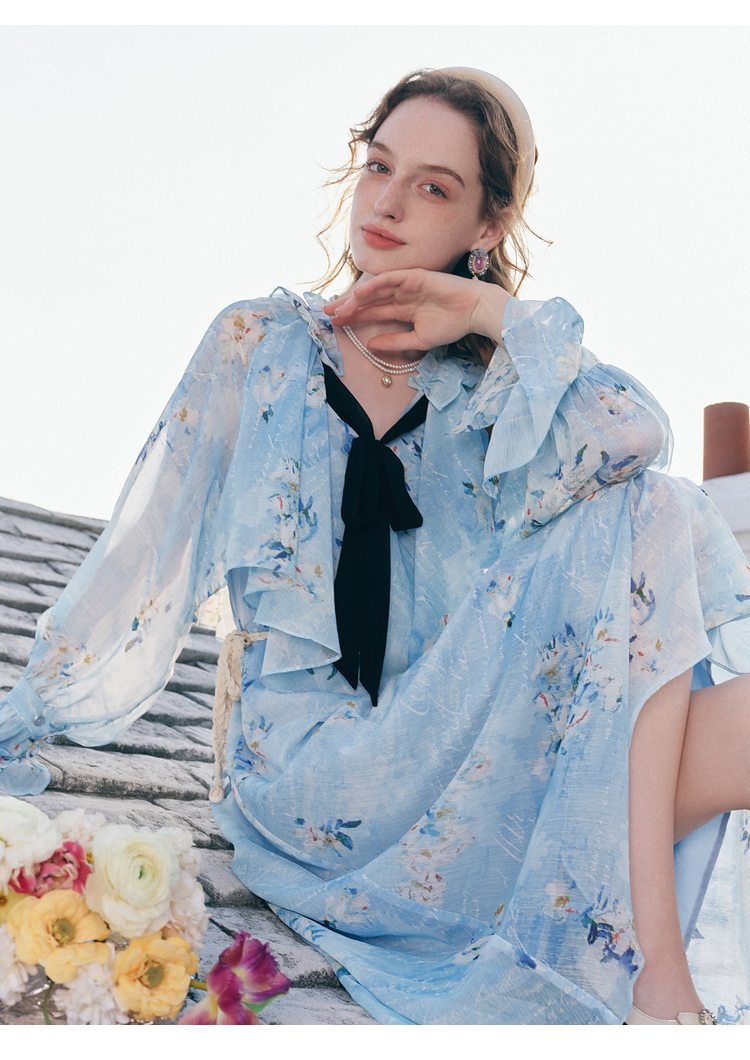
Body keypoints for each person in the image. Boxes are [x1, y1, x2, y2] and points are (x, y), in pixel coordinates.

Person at [2, 67, 750, 1026]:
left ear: (487, 227)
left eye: (433, 187)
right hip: (316, 783)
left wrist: (484, 316)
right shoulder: (258, 345)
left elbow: (633, 437)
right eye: (379, 166)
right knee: (652, 514)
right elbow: (140, 564)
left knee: (650, 507)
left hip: (468, 761)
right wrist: (30, 708)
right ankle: (658, 986)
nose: (388, 204)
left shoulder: (492, 397)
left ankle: (656, 979)